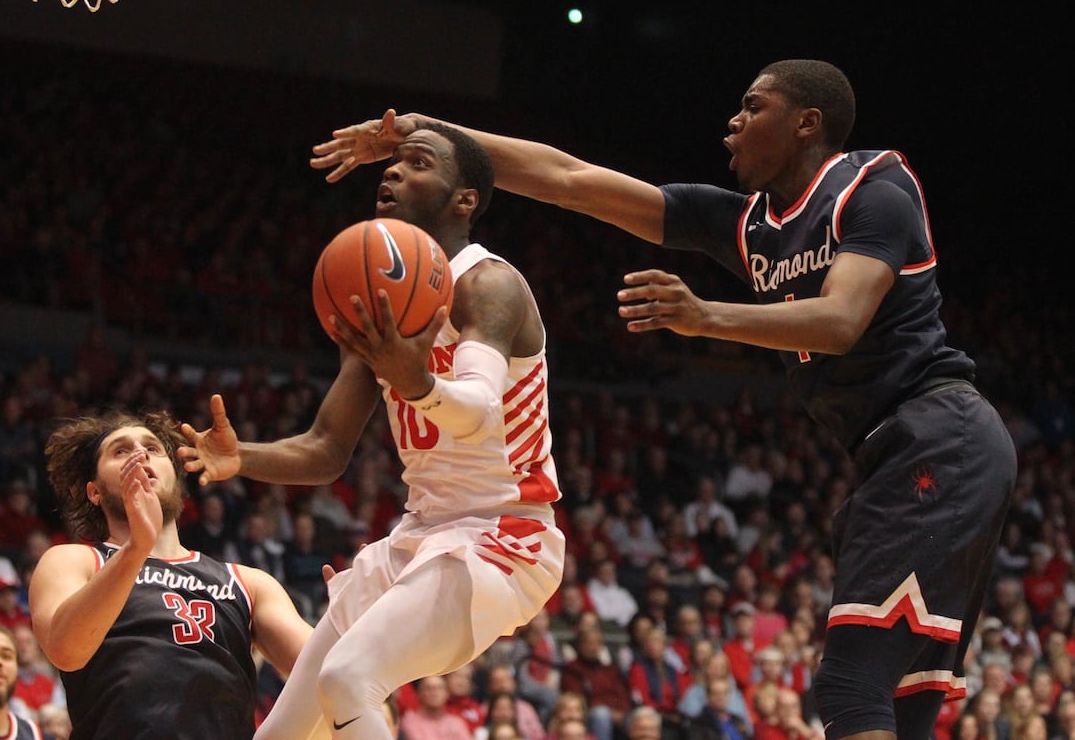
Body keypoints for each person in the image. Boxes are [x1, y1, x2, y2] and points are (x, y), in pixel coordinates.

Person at [314, 60, 1018, 740]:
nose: (731, 123)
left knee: (848, 685)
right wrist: (418, 128)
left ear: (807, 122)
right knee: (905, 699)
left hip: (935, 434)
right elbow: (568, 179)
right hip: (900, 453)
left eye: (752, 107)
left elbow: (839, 321)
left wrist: (704, 316)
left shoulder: (873, 189)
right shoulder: (744, 224)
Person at [181, 122, 565, 738]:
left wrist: (417, 384)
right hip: (419, 532)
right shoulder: (377, 296)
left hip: (505, 536)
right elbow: (326, 449)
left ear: (464, 199)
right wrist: (239, 457)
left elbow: (479, 409)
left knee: (348, 678)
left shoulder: (488, 284)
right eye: (393, 163)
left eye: (417, 163)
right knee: (280, 733)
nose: (391, 171)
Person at [28, 410, 326, 740]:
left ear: (175, 477)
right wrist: (136, 548)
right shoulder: (75, 560)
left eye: (153, 449)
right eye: (120, 450)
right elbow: (66, 652)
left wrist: (343, 621)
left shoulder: (247, 582)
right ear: (94, 491)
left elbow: (326, 675)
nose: (140, 454)